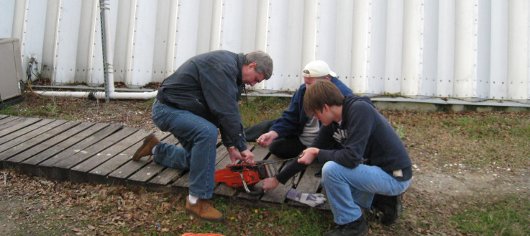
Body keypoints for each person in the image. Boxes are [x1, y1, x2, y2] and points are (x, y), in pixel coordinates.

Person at [131, 50, 273, 221]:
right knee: (207, 132)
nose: (253, 84)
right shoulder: (221, 66)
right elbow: (226, 112)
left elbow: (225, 111)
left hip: (185, 110)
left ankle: (155, 149)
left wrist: (231, 147)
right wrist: (242, 147)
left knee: (200, 162)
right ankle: (197, 201)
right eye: (256, 79)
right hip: (167, 110)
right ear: (252, 65)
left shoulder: (232, 74)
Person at [267, 80, 413, 235]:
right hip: (374, 170)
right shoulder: (333, 123)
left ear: (325, 107)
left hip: (395, 176)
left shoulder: (360, 110)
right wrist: (278, 179)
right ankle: (381, 201)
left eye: (316, 114)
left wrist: (318, 152)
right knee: (327, 182)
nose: (316, 119)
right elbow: (307, 155)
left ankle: (352, 224)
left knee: (331, 170)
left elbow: (351, 158)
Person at [247, 60, 353, 161]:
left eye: (310, 84)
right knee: (276, 144)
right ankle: (242, 134)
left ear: (326, 79)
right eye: (305, 83)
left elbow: (341, 134)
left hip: (325, 144)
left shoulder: (341, 96)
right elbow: (291, 117)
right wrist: (274, 133)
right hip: (302, 139)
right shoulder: (303, 90)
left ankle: (317, 156)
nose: (307, 87)